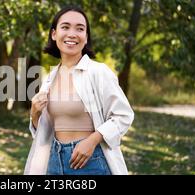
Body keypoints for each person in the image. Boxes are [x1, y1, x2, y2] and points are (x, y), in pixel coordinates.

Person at [24, 6, 134, 175]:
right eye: (65, 27)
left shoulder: (98, 72)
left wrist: (92, 141)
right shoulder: (50, 77)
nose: (72, 33)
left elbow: (123, 115)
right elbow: (45, 132)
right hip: (54, 162)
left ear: (86, 37)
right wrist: (34, 114)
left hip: (90, 163)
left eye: (80, 29)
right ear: (54, 34)